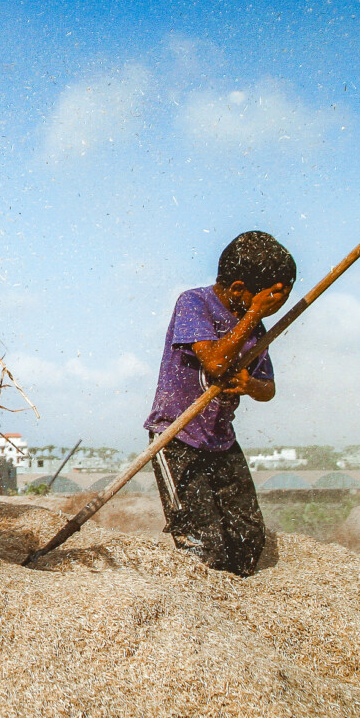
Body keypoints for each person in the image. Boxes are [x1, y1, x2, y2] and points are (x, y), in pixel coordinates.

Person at [143, 231, 295, 577]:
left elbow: (268, 388)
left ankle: (240, 606)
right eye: (272, 297)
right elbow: (213, 362)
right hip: (176, 438)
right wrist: (254, 315)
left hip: (221, 441)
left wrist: (249, 384)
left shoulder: (256, 329)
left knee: (248, 538)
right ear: (241, 289)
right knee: (204, 543)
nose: (278, 305)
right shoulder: (194, 303)